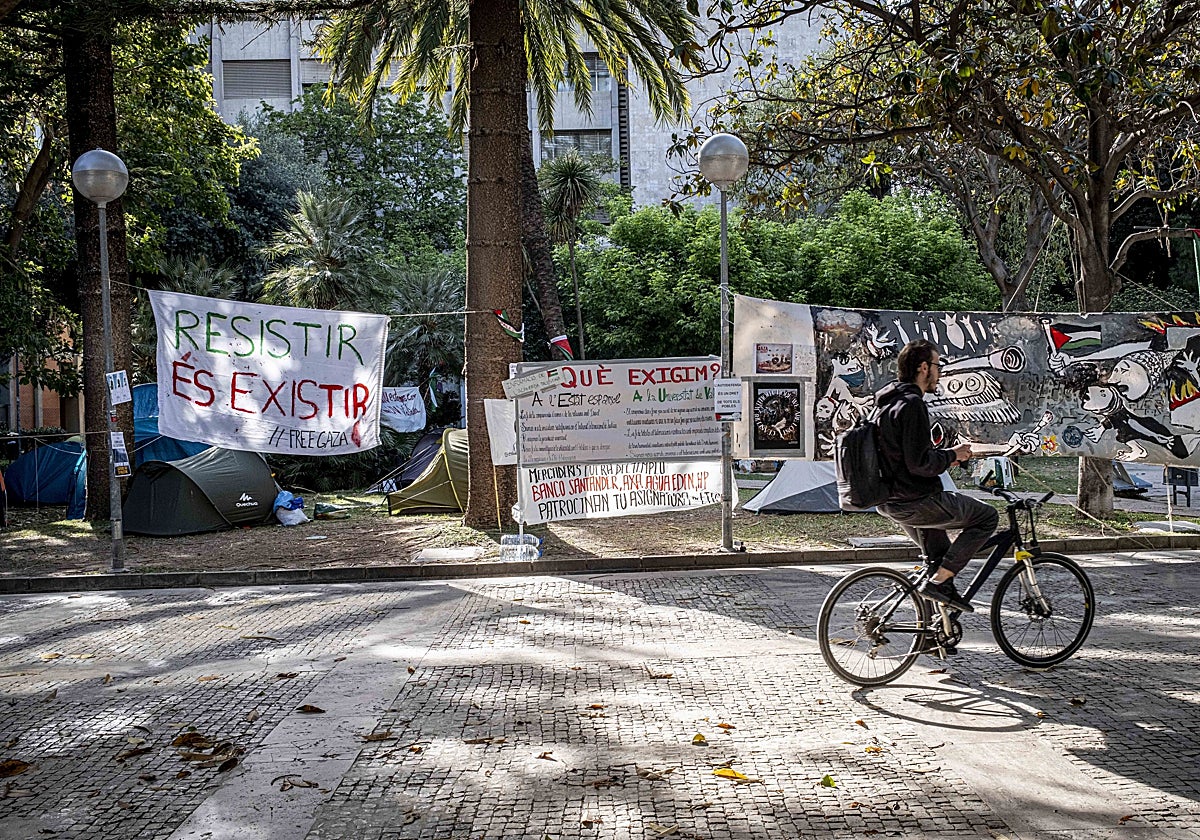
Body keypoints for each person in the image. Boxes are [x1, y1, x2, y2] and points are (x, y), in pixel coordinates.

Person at [875, 339, 999, 614]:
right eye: (937, 365)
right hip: (916, 500)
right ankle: (942, 582)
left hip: (890, 500)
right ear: (923, 368)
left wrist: (942, 455)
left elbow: (907, 458)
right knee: (987, 517)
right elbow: (919, 464)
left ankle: (930, 633)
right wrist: (952, 455)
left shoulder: (888, 403)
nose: (939, 373)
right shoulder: (912, 405)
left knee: (938, 558)